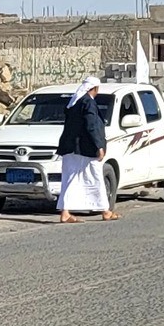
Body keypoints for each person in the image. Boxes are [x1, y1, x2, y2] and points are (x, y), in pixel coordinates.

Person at [56, 81, 117, 223]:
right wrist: (99, 146)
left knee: (70, 179)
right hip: (84, 149)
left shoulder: (74, 103)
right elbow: (92, 125)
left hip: (70, 148)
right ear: (94, 88)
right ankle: (105, 211)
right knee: (95, 177)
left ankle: (66, 211)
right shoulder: (88, 102)